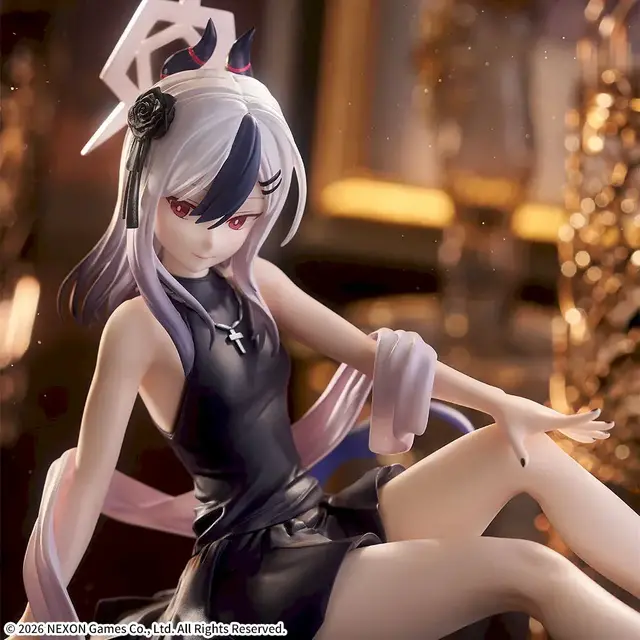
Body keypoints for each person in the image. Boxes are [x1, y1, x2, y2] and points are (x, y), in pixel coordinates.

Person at [14, 20, 640, 640]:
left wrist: (503, 402)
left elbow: (374, 355)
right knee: (532, 569)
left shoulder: (255, 281)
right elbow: (87, 482)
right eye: (187, 208)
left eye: (240, 218)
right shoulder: (138, 328)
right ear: (145, 186)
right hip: (255, 580)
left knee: (523, 449)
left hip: (320, 524)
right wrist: (39, 613)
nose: (212, 236)